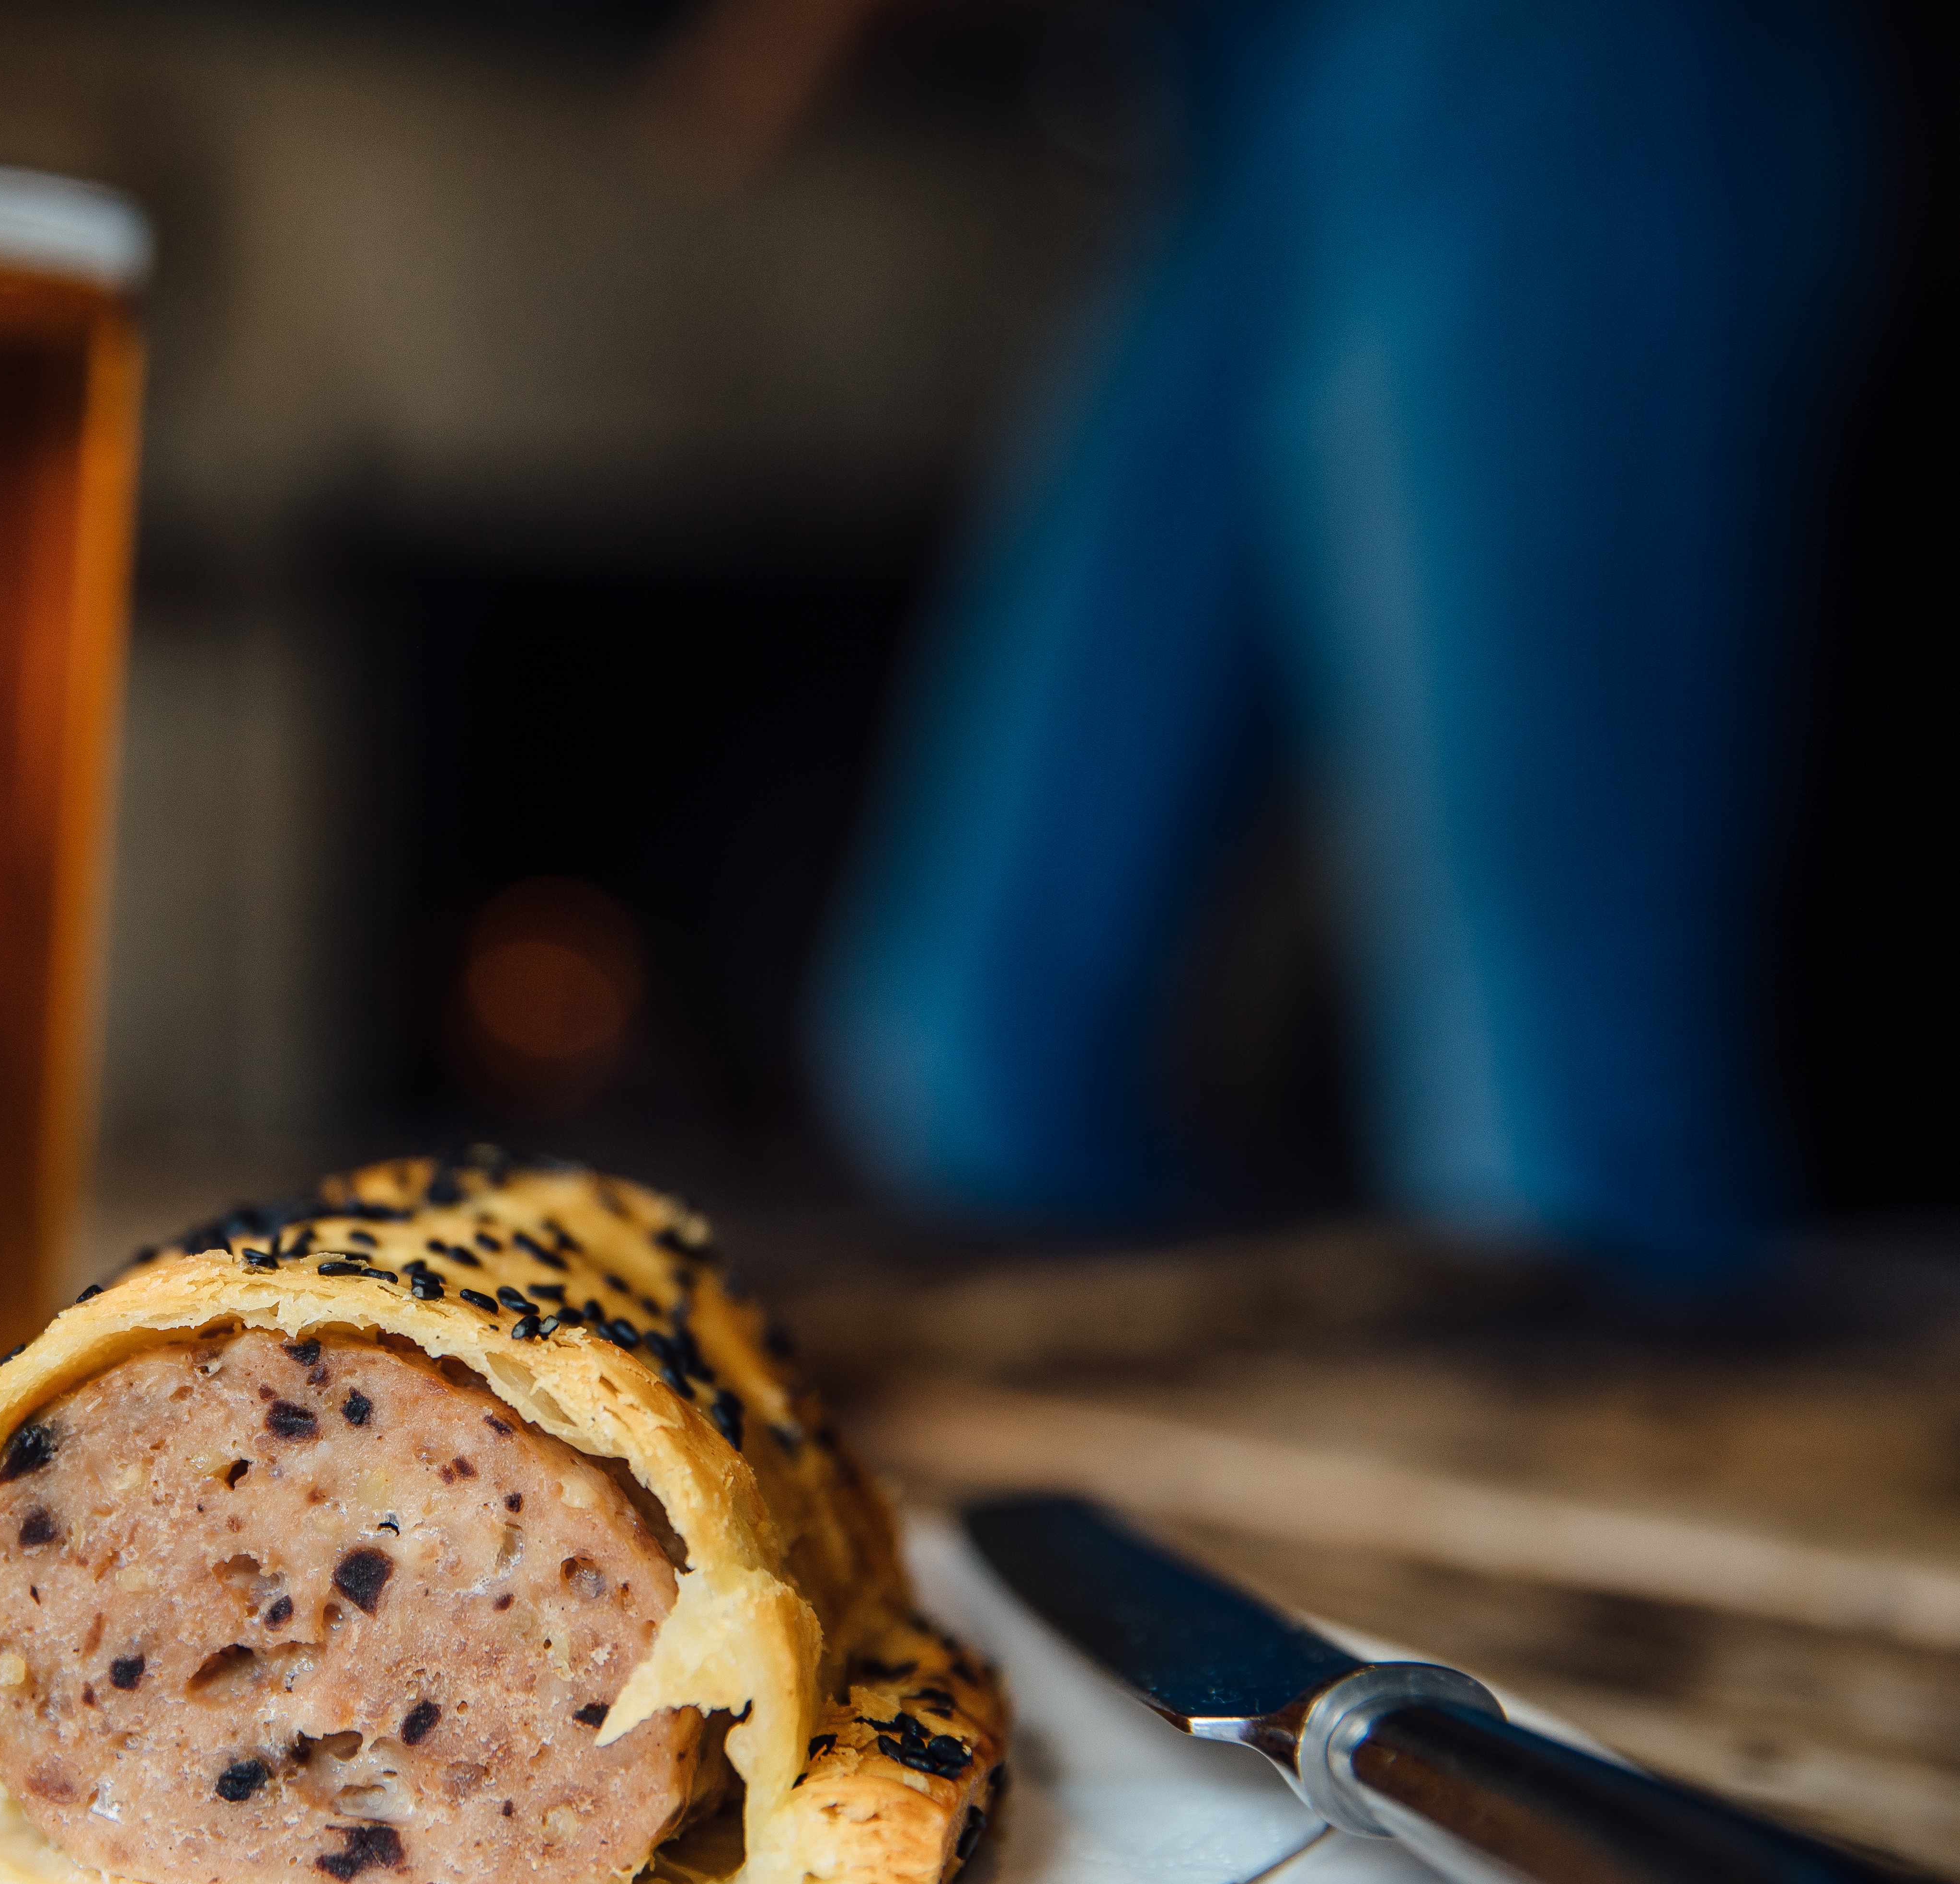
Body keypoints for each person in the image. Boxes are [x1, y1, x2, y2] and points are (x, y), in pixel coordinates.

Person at [737, 0, 1888, 1286]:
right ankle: (1090, 1489)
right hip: (1246, 83)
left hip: (1550, 54)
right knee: (965, 1058)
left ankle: (1651, 1462)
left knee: (1539, 1120)